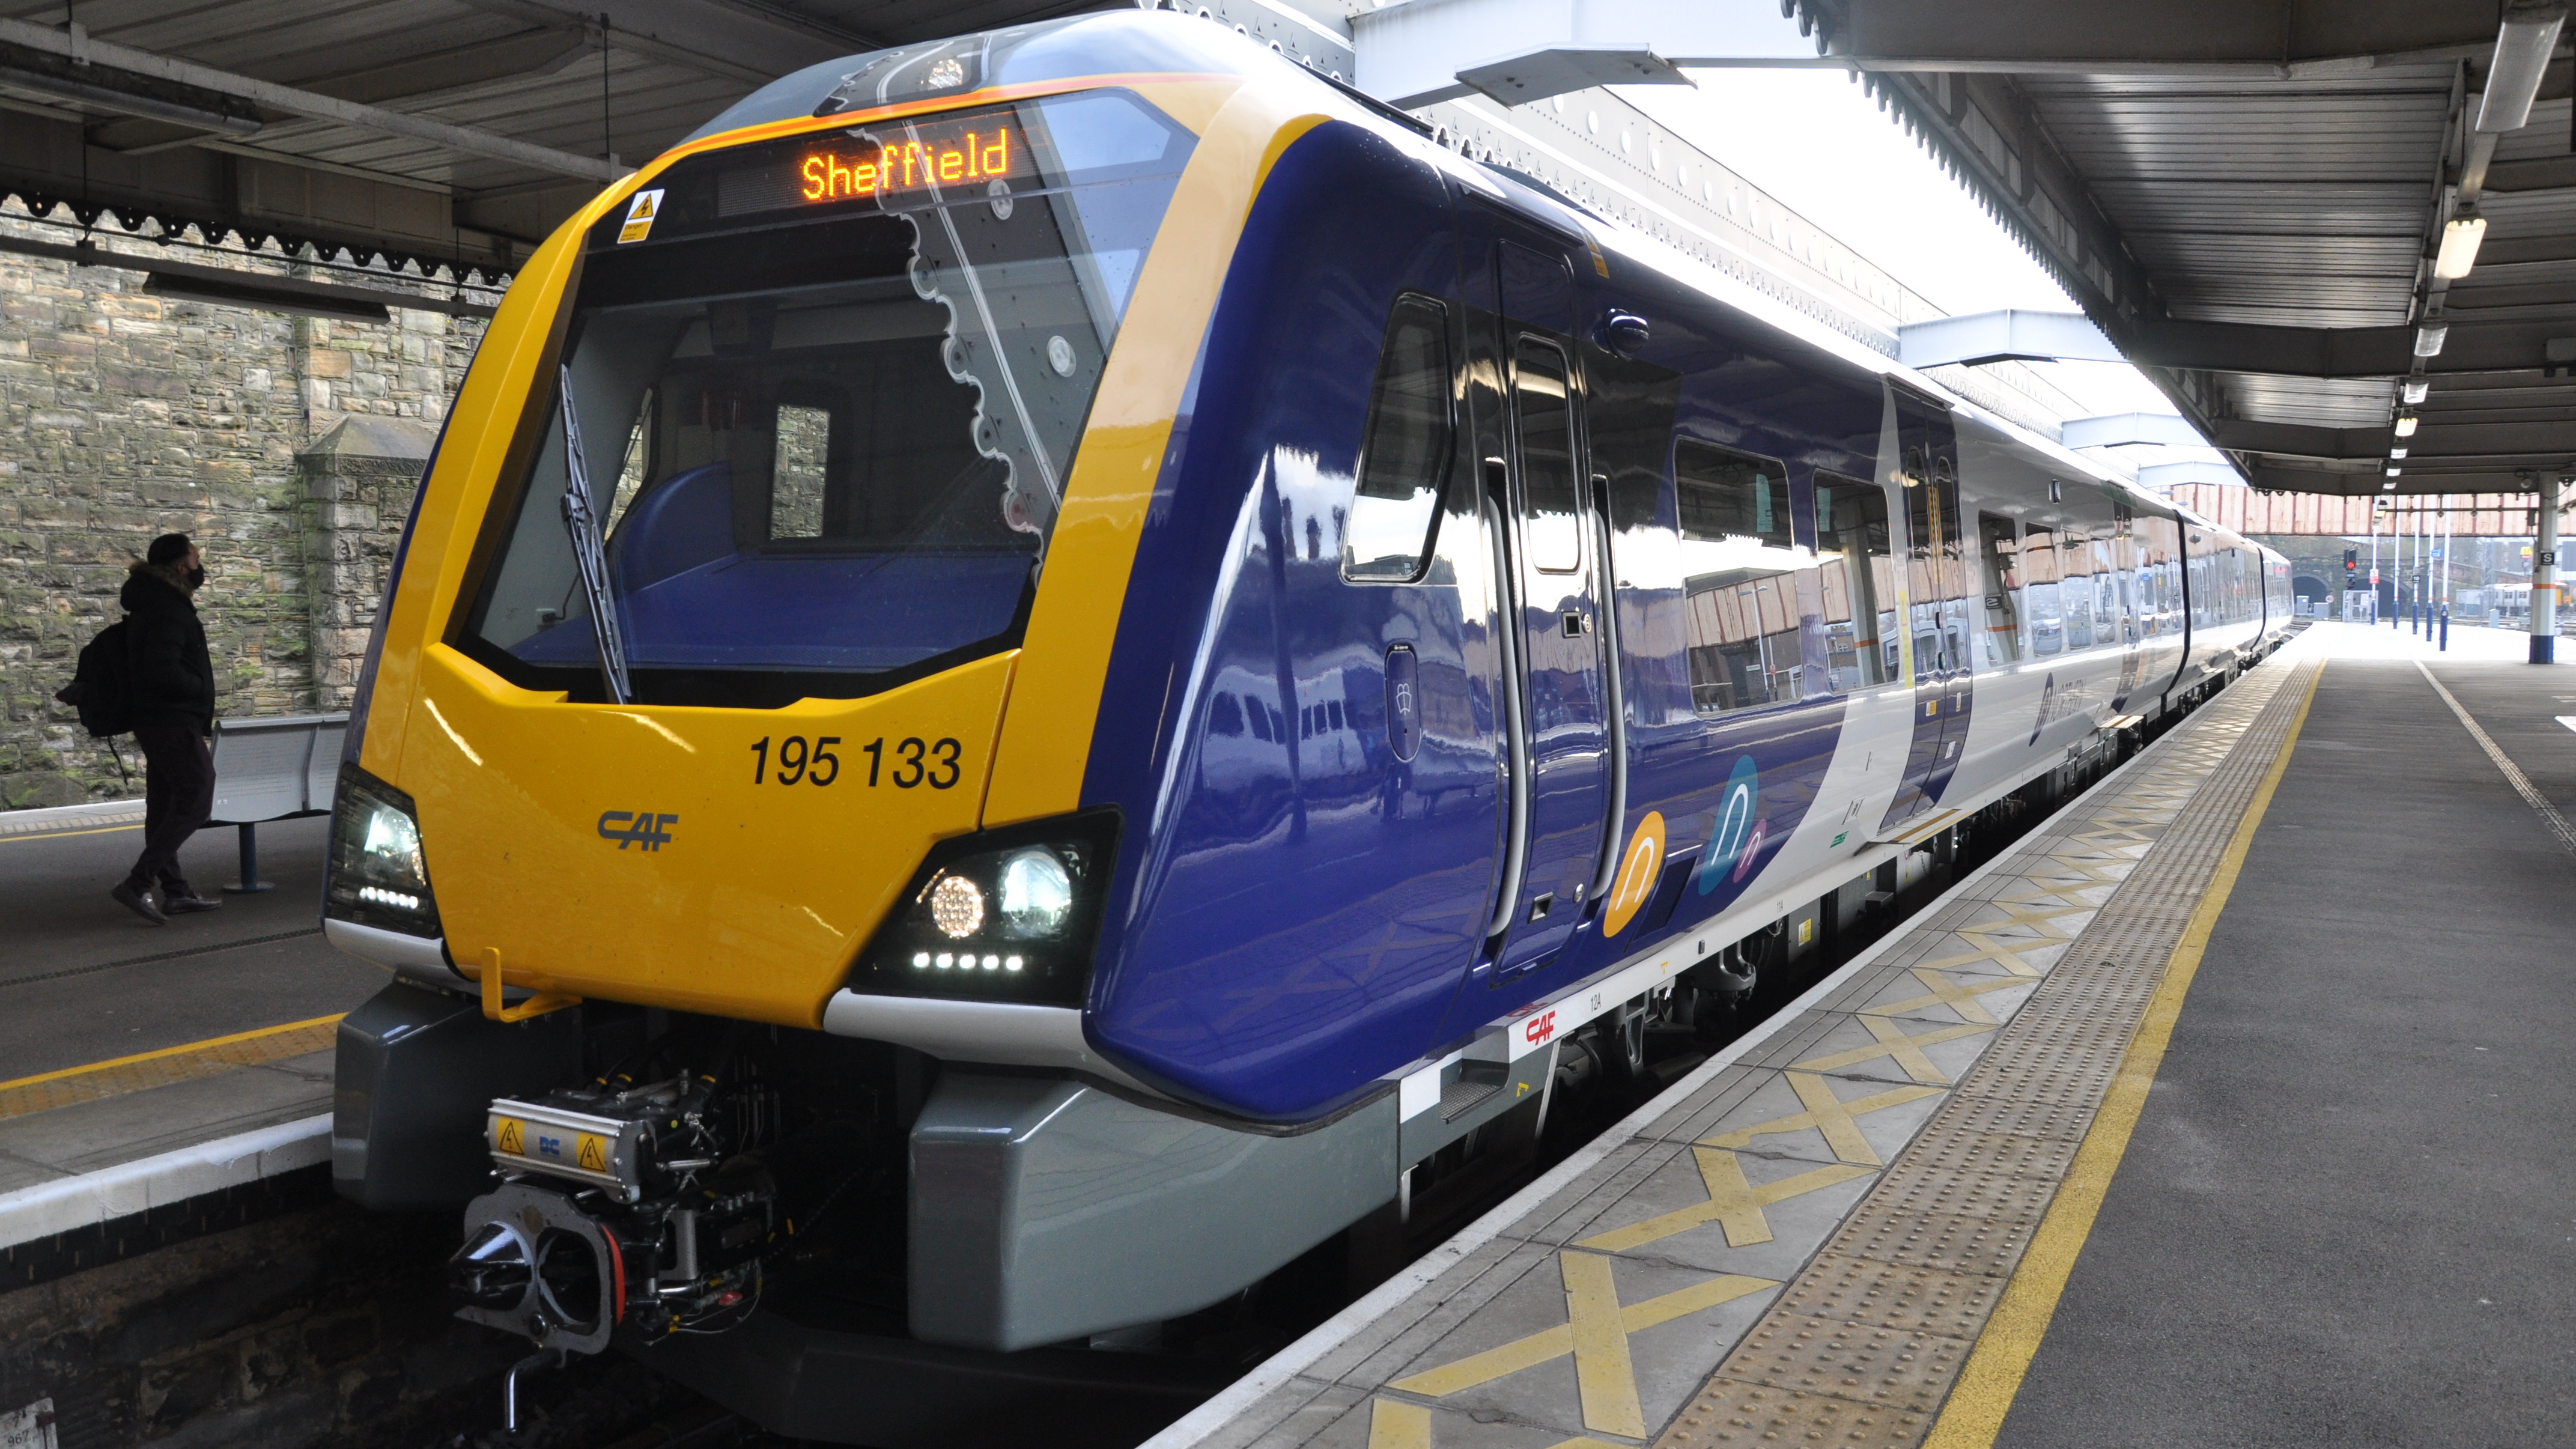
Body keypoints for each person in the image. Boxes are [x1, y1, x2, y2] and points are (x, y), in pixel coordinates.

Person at [110, 533, 222, 925]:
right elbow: (162, 669)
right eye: (195, 558)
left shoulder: (154, 603)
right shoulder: (169, 609)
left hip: (156, 718)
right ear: (180, 567)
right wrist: (198, 690)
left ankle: (176, 892)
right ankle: (138, 882)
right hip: (172, 719)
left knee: (162, 806)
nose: (199, 564)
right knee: (197, 794)